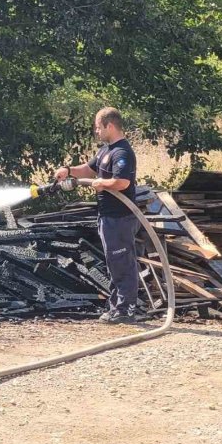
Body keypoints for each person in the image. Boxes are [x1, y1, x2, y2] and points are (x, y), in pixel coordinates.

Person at [54, 107, 144, 324]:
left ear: (109, 126)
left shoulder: (122, 152)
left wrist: (102, 183)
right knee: (114, 262)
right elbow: (87, 169)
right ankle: (116, 308)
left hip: (120, 218)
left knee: (122, 262)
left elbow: (122, 183)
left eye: (98, 127)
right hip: (107, 217)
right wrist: (68, 170)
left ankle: (126, 310)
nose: (96, 131)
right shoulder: (106, 151)